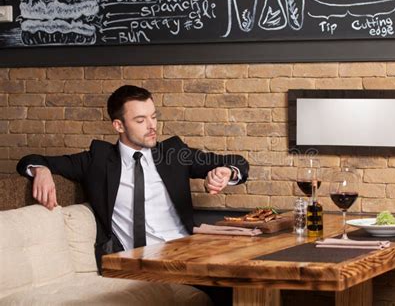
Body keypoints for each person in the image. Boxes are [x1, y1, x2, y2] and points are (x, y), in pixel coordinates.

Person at [17, 85, 249, 271]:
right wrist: (41, 170)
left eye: (153, 117)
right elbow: (31, 159)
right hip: (131, 262)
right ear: (118, 125)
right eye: (140, 120)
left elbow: (238, 162)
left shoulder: (174, 153)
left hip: (184, 254)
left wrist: (227, 172)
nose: (152, 126)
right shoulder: (98, 160)